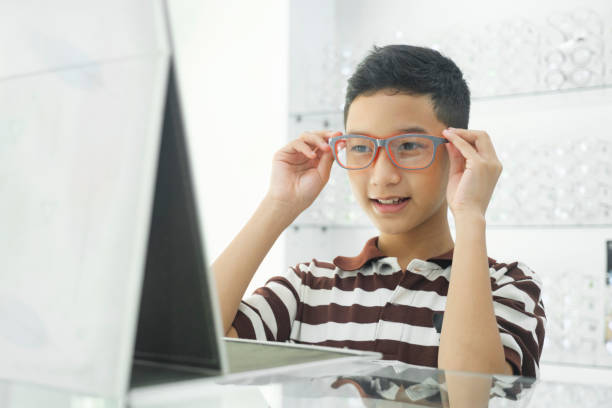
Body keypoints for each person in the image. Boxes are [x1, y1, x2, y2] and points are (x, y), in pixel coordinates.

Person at [212, 44, 546, 378]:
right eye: (360, 147)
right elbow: (193, 347)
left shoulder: (506, 287)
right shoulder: (308, 288)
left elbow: (473, 396)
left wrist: (470, 214)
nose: (382, 176)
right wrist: (278, 205)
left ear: (458, 151)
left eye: (409, 146)